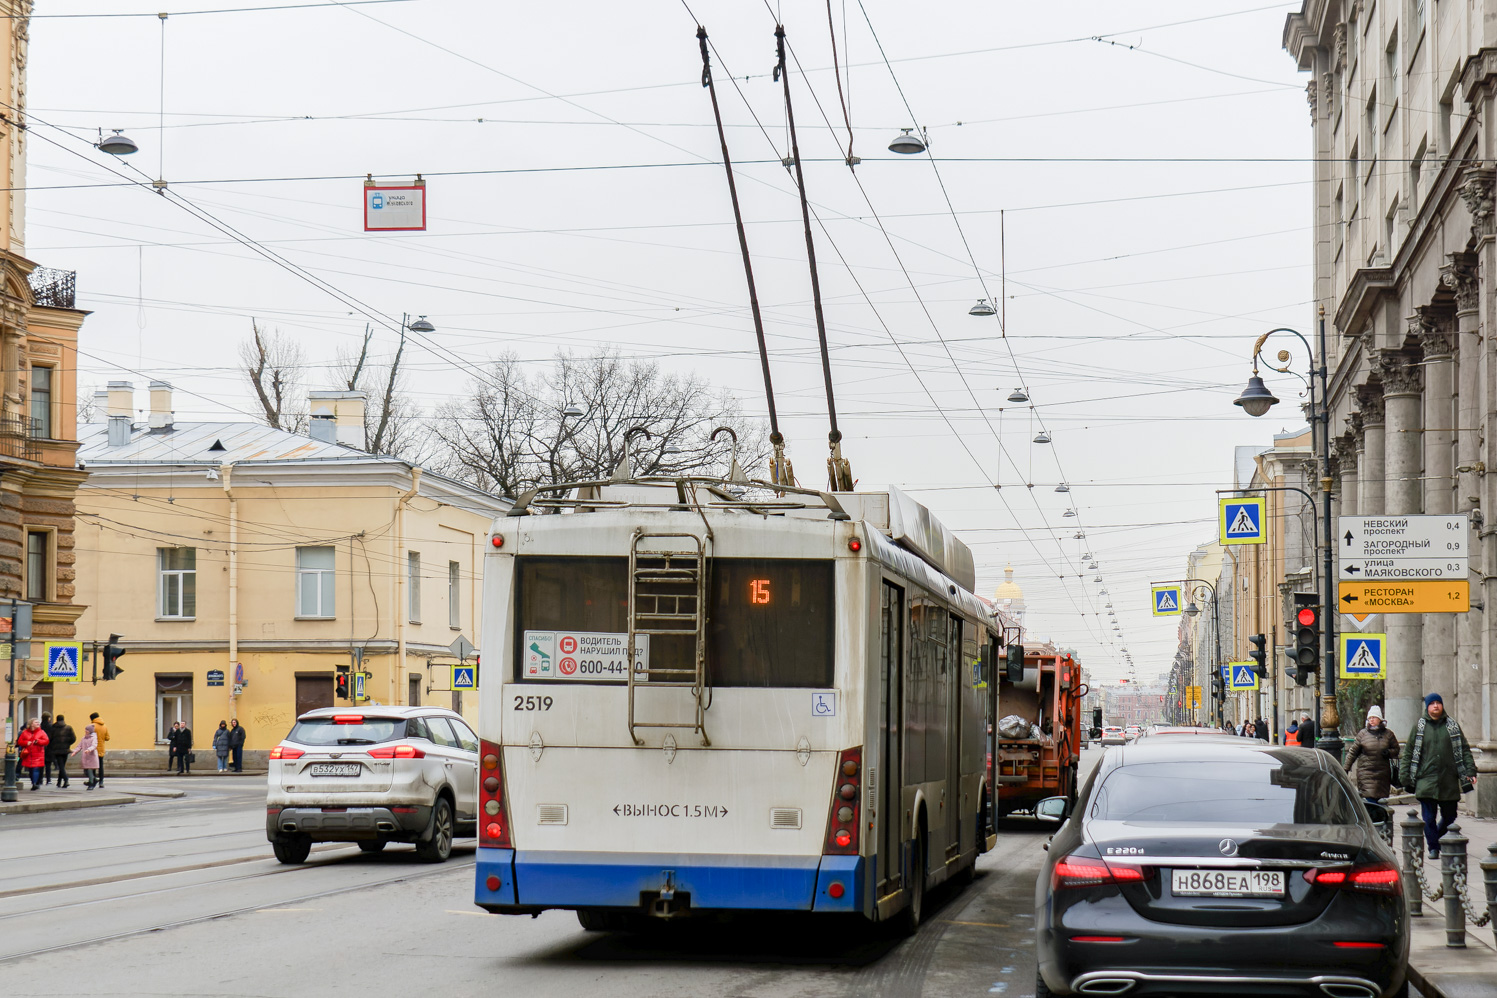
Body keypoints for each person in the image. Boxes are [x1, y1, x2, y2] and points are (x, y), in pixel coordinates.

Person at [1399, 692, 1478, 859]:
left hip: (1448, 780)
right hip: (1426, 780)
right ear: (1427, 707)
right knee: (1429, 818)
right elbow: (1409, 753)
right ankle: (1433, 847)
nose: (1436, 706)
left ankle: (1439, 838)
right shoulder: (1419, 727)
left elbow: (1464, 750)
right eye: (1432, 703)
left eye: (1438, 703)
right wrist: (1405, 775)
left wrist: (1470, 771)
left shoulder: (1452, 726)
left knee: (1451, 815)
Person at [1344, 704, 1400, 803]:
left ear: (1380, 719)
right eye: (1369, 718)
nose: (1371, 720)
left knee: (1380, 801)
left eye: (1374, 717)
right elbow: (1353, 753)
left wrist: (1389, 753)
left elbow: (1396, 749)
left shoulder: (1388, 734)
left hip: (1382, 774)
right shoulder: (1363, 734)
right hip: (1366, 773)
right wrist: (1345, 769)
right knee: (1370, 800)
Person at [16, 716, 48, 790]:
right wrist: (26, 743)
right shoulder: (25, 732)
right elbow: (20, 741)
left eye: (38, 722)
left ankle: (34, 783)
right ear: (31, 724)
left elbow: (46, 741)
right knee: (30, 770)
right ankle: (33, 782)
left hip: (38, 754)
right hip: (28, 754)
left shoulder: (41, 732)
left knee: (35, 769)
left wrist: (38, 741)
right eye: (36, 722)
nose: (38, 723)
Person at [47, 713, 75, 789]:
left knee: (61, 766)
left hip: (56, 750)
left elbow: (50, 738)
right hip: (65, 749)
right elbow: (73, 738)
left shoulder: (53, 728)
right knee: (62, 765)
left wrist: (53, 745)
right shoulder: (68, 728)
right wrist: (67, 743)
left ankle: (65, 780)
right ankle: (59, 782)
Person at [72, 722, 100, 790]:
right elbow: (79, 746)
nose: (85, 731)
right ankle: (94, 779)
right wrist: (74, 752)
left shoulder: (93, 738)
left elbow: (94, 745)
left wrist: (89, 749)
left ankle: (91, 783)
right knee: (86, 771)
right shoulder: (83, 738)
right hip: (85, 757)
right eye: (85, 730)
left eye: (87, 730)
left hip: (91, 757)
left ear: (90, 731)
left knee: (89, 770)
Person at [89, 712, 109, 788]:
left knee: (93, 766)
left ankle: (93, 779)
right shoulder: (104, 726)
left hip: (93, 749)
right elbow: (107, 738)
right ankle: (101, 781)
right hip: (101, 748)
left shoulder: (92, 726)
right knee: (100, 766)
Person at [39, 712, 55, 784]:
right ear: (48, 718)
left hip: (41, 747)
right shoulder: (50, 726)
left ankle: (40, 779)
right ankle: (48, 780)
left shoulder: (40, 726)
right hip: (49, 748)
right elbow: (52, 737)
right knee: (48, 765)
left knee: (41, 765)